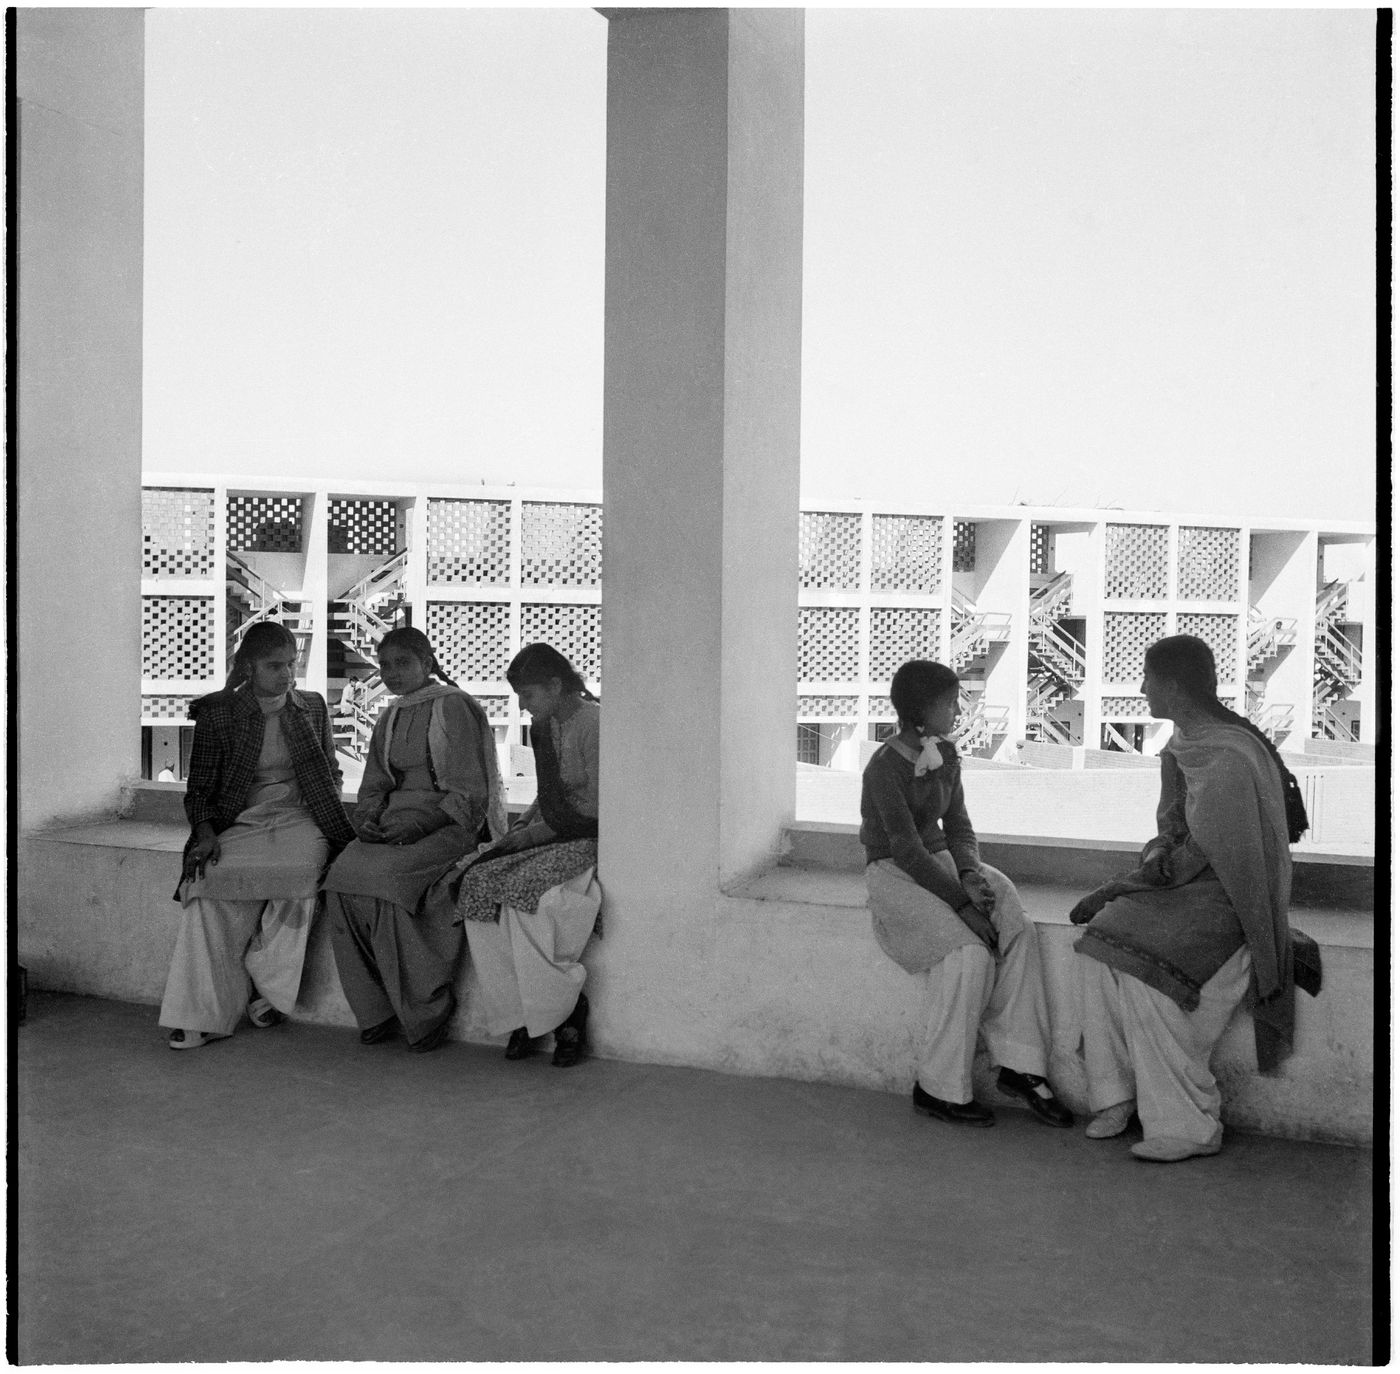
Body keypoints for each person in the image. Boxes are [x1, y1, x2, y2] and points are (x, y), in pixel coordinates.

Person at [1070, 634, 1307, 1162]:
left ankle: (1190, 1125)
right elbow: (1171, 833)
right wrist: (1148, 864)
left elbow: (1205, 854)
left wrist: (1122, 884)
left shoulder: (1226, 758)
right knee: (1096, 944)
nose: (1141, 688)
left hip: (1229, 899)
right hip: (1182, 888)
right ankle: (1116, 1095)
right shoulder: (1182, 745)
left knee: (1145, 973)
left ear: (1174, 686)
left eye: (1148, 679)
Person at [861, 660, 1072, 1128]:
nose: (957, 710)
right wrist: (962, 904)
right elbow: (905, 848)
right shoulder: (883, 767)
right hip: (895, 874)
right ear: (920, 711)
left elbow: (958, 826)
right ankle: (938, 1089)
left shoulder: (948, 755)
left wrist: (972, 876)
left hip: (941, 864)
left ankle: (1020, 1066)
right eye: (949, 703)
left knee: (1013, 918)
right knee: (969, 954)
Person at [160, 622, 355, 1049]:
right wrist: (206, 834)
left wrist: (327, 803)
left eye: (291, 664)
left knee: (306, 872)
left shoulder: (312, 706)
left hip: (302, 818)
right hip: (240, 822)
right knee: (206, 883)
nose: (287, 675)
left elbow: (331, 770)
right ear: (250, 666)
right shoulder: (219, 714)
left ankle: (268, 990)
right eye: (274, 665)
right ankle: (201, 1015)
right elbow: (200, 789)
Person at [323, 627, 506, 1052]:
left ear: (427, 662)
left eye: (402, 663)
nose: (392, 673)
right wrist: (366, 818)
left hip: (448, 826)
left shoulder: (453, 707)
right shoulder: (390, 715)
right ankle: (375, 1010)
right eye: (384, 665)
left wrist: (421, 826)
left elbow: (469, 792)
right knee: (340, 878)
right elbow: (373, 785)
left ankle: (425, 1011)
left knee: (386, 883)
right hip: (393, 822)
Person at [454, 643, 601, 1068]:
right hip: (550, 831)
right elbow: (548, 793)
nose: (524, 705)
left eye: (529, 695)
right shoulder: (542, 727)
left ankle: (565, 1010)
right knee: (477, 884)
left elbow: (597, 804)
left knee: (524, 894)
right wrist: (522, 829)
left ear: (556, 686)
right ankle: (518, 1012)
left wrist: (537, 833)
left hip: (586, 834)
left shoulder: (594, 724)